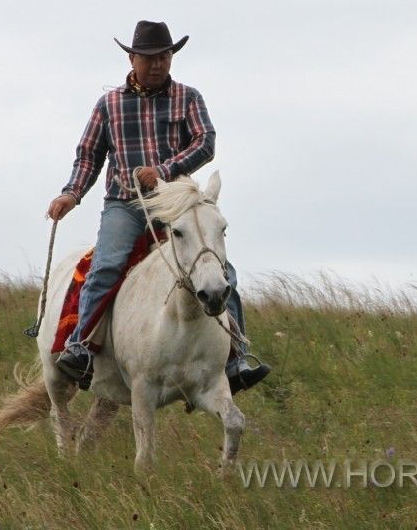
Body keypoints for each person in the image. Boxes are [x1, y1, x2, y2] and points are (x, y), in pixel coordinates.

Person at [46, 20, 270, 394]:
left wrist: (164, 171)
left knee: (218, 266)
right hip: (125, 203)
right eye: (149, 57)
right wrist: (71, 193)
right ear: (132, 58)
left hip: (176, 202)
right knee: (107, 263)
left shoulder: (188, 98)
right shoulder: (109, 105)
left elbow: (205, 142)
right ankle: (81, 347)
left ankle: (236, 357)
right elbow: (89, 156)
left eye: (164, 56)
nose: (157, 64)